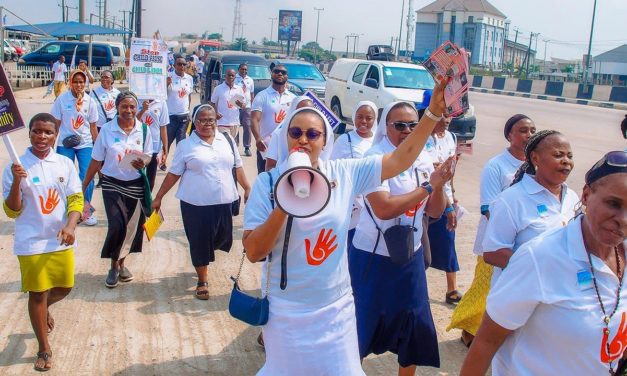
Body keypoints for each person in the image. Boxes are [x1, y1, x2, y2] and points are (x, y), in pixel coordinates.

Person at [242, 78, 448, 375]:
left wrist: (431, 114)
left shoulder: (345, 173)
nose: (303, 140)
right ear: (286, 137)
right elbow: (253, 251)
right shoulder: (268, 183)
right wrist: (284, 204)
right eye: (295, 132)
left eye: (313, 133)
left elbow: (401, 159)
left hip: (334, 309)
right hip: (287, 309)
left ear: (325, 141)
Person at [460, 151, 627, 376]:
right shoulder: (540, 257)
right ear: (586, 195)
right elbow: (486, 342)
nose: (623, 219)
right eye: (613, 204)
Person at [349, 102, 454, 375]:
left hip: (410, 254)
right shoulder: (374, 159)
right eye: (400, 125)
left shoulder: (421, 158)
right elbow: (383, 208)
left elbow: (434, 210)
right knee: (362, 326)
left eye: (412, 125)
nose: (407, 131)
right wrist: (428, 186)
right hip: (373, 257)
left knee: (414, 324)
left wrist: (439, 185)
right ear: (386, 127)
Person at [2, 113, 83, 372]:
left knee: (65, 287)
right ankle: (44, 348)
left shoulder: (64, 163)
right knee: (37, 293)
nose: (42, 137)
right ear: (30, 133)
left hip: (59, 239)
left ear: (55, 135)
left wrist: (71, 225)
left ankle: (42, 310)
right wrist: (17, 181)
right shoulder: (16, 166)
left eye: (48, 132)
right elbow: (12, 211)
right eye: (37, 131)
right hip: (31, 242)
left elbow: (75, 199)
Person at [447, 114, 535, 347]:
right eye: (523, 130)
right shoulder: (496, 166)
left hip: (524, 244)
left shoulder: (537, 166)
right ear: (509, 135)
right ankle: (469, 329)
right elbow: (489, 207)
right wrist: (512, 229)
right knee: (484, 289)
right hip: (497, 242)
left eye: (532, 130)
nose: (529, 135)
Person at [152, 105, 251, 299]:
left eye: (211, 120)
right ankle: (202, 279)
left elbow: (237, 166)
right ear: (194, 123)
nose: (207, 124)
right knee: (199, 242)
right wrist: (159, 197)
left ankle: (204, 256)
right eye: (202, 120)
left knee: (223, 239)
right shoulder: (186, 146)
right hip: (195, 204)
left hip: (224, 201)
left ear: (216, 121)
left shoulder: (227, 140)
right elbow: (173, 174)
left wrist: (247, 188)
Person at [482, 130, 580, 284]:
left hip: (561, 293)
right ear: (535, 158)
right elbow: (493, 252)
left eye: (570, 156)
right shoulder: (511, 200)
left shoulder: (572, 198)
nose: (566, 161)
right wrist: (543, 271)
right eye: (558, 155)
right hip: (519, 293)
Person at [81, 91, 153, 288]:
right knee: (116, 225)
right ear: (117, 107)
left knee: (131, 229)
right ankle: (113, 266)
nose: (128, 111)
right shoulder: (107, 130)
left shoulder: (144, 130)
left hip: (136, 186)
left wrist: (142, 163)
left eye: (132, 107)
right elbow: (96, 159)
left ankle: (122, 264)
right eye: (124, 107)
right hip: (112, 183)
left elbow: (148, 156)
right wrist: (84, 184)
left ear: (137, 108)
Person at [50, 69, 99, 226]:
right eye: (76, 81)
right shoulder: (62, 100)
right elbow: (55, 126)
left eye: (81, 82)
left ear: (85, 83)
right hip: (65, 144)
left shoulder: (90, 101)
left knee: (87, 177)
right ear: (70, 82)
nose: (79, 85)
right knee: (63, 178)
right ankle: (68, 210)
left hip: (85, 144)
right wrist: (50, 149)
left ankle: (85, 209)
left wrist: (98, 149)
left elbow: (93, 127)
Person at [425, 115, 463, 304]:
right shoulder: (421, 137)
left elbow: (451, 169)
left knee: (448, 240)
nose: (446, 119)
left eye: (449, 115)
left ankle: (452, 289)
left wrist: (453, 193)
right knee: (420, 246)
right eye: (442, 115)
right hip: (424, 198)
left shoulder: (450, 137)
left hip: (445, 194)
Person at [330, 100, 378, 246]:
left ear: (375, 119)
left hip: (374, 201)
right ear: (354, 117)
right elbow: (333, 170)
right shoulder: (345, 140)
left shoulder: (379, 141)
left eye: (369, 118)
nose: (364, 121)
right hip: (351, 204)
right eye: (360, 117)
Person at [251, 64, 296, 174]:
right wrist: (258, 139)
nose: (280, 74)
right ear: (271, 74)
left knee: (284, 180)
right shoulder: (262, 96)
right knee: (265, 179)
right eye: (276, 71)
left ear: (287, 77)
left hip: (285, 147)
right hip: (266, 147)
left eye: (283, 72)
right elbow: (254, 119)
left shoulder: (293, 98)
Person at [264, 96, 314, 171]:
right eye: (301, 111)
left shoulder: (318, 136)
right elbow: (270, 166)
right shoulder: (279, 134)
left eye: (309, 111)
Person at [90, 70, 121, 188]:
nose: (104, 79)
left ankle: (112, 176)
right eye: (102, 77)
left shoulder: (117, 93)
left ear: (112, 80)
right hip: (98, 127)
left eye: (107, 77)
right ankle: (101, 177)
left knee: (112, 152)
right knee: (99, 153)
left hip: (112, 127)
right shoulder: (94, 93)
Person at [137, 99, 169, 189]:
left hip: (154, 146)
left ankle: (147, 201)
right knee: (138, 177)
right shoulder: (137, 99)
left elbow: (163, 127)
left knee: (150, 180)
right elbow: (132, 121)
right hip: (139, 145)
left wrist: (165, 150)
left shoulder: (161, 102)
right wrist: (143, 110)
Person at [166, 55, 193, 152]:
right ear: (174, 65)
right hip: (170, 116)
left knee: (181, 143)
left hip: (183, 116)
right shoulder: (168, 77)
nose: (182, 66)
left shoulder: (189, 78)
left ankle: (179, 165)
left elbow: (189, 96)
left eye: (184, 64)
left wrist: (188, 110)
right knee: (167, 142)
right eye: (179, 64)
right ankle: (163, 161)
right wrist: (166, 84)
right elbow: (161, 95)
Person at [211, 68, 246, 143]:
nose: (230, 77)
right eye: (229, 75)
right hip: (222, 122)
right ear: (225, 76)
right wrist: (216, 113)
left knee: (232, 143)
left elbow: (243, 106)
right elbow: (212, 103)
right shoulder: (218, 89)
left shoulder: (239, 89)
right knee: (226, 142)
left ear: (235, 77)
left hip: (234, 122)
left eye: (232, 75)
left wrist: (241, 105)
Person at [235, 63, 255, 156]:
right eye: (242, 69)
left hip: (247, 107)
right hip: (235, 107)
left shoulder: (250, 80)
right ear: (238, 69)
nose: (244, 71)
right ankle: (235, 147)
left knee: (247, 126)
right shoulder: (234, 78)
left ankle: (247, 147)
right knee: (235, 126)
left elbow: (251, 93)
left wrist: (252, 105)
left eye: (245, 69)